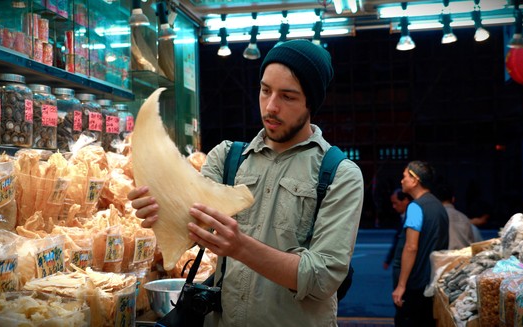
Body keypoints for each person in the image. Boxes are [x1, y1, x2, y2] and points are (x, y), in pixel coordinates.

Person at [128, 39, 364, 326]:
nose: (271, 107)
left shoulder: (339, 174)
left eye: (288, 96)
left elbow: (322, 278)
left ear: (310, 101)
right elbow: (190, 229)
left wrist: (240, 247)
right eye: (265, 91)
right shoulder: (228, 157)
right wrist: (159, 211)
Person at [391, 161, 449, 327]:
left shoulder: (416, 207)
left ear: (415, 180)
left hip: (415, 285)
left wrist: (401, 285)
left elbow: (411, 247)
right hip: (432, 281)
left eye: (405, 176)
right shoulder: (439, 206)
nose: (402, 180)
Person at [434, 183, 475, 250]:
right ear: (453, 199)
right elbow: (472, 243)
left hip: (441, 258)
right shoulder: (463, 218)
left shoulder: (434, 217)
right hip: (463, 257)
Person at [383, 188, 412, 270]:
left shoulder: (410, 217)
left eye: (395, 203)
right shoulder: (403, 217)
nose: (394, 206)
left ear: (405, 201)